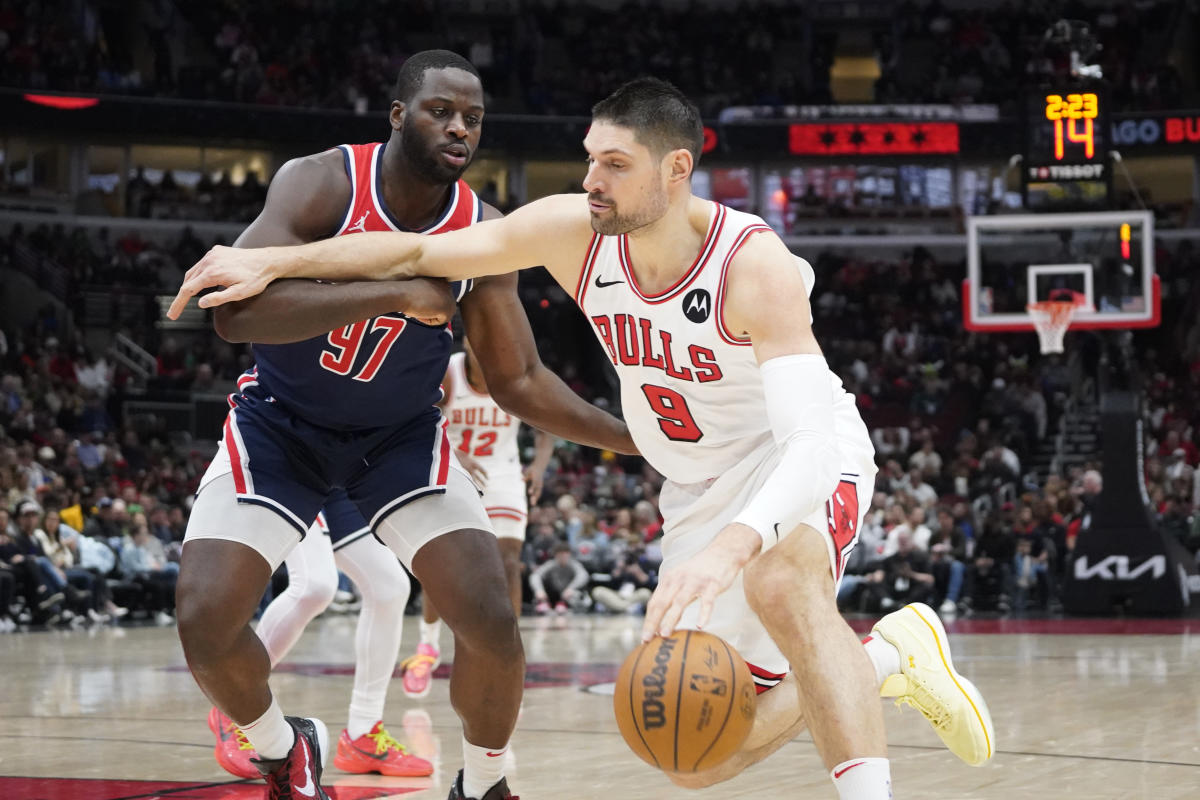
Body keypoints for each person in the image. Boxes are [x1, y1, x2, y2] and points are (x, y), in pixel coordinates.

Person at [169, 76, 994, 798]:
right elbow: (423, 248)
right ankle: (888, 658)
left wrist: (732, 548)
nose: (592, 179)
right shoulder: (573, 229)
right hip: (698, 490)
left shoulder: (754, 265)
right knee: (696, 753)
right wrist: (274, 265)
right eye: (591, 158)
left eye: (616, 164)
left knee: (784, 584)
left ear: (678, 169)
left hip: (791, 461)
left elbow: (812, 439)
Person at [167, 51, 634, 800]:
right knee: (203, 620)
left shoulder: (484, 231)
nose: (459, 127)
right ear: (396, 115)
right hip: (281, 426)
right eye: (440, 110)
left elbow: (516, 379)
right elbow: (234, 315)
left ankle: (483, 784)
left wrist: (637, 441)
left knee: (489, 616)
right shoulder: (320, 181)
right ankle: (283, 748)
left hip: (399, 440)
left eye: (473, 118)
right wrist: (391, 291)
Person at [209, 491, 433, 780]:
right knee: (315, 585)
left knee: (389, 587)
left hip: (337, 477)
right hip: (289, 464)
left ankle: (363, 734)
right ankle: (233, 701)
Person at [401, 339, 554, 698]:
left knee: (510, 562)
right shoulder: (449, 370)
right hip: (451, 464)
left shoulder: (517, 369)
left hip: (502, 471)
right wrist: (456, 454)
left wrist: (541, 466)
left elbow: (545, 423)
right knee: (440, 564)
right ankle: (428, 646)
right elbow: (419, 415)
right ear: (467, 339)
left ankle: (508, 649)